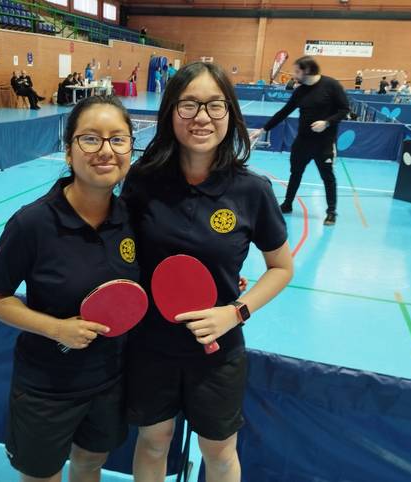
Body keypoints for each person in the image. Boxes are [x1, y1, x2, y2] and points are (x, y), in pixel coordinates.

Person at [122, 61, 293, 482]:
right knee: (153, 440)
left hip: (218, 348)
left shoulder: (252, 190)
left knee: (218, 451)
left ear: (230, 115)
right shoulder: (142, 181)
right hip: (151, 343)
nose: (202, 117)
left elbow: (281, 267)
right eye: (189, 105)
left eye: (215, 106)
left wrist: (234, 311)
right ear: (170, 113)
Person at [0, 95, 138, 482]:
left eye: (118, 139)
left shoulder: (133, 218)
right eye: (90, 139)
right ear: (69, 151)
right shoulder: (32, 223)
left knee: (89, 464)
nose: (106, 150)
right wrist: (56, 328)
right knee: (42, 476)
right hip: (46, 388)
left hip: (109, 379)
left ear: (130, 151)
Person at [251, 56, 350, 226]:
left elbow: (345, 110)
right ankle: (287, 204)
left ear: (307, 71)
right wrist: (263, 130)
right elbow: (284, 112)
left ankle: (331, 211)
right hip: (302, 142)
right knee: (295, 173)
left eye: (297, 71)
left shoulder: (331, 86)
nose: (294, 74)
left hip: (324, 143)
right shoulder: (300, 91)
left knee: (328, 177)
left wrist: (326, 123)